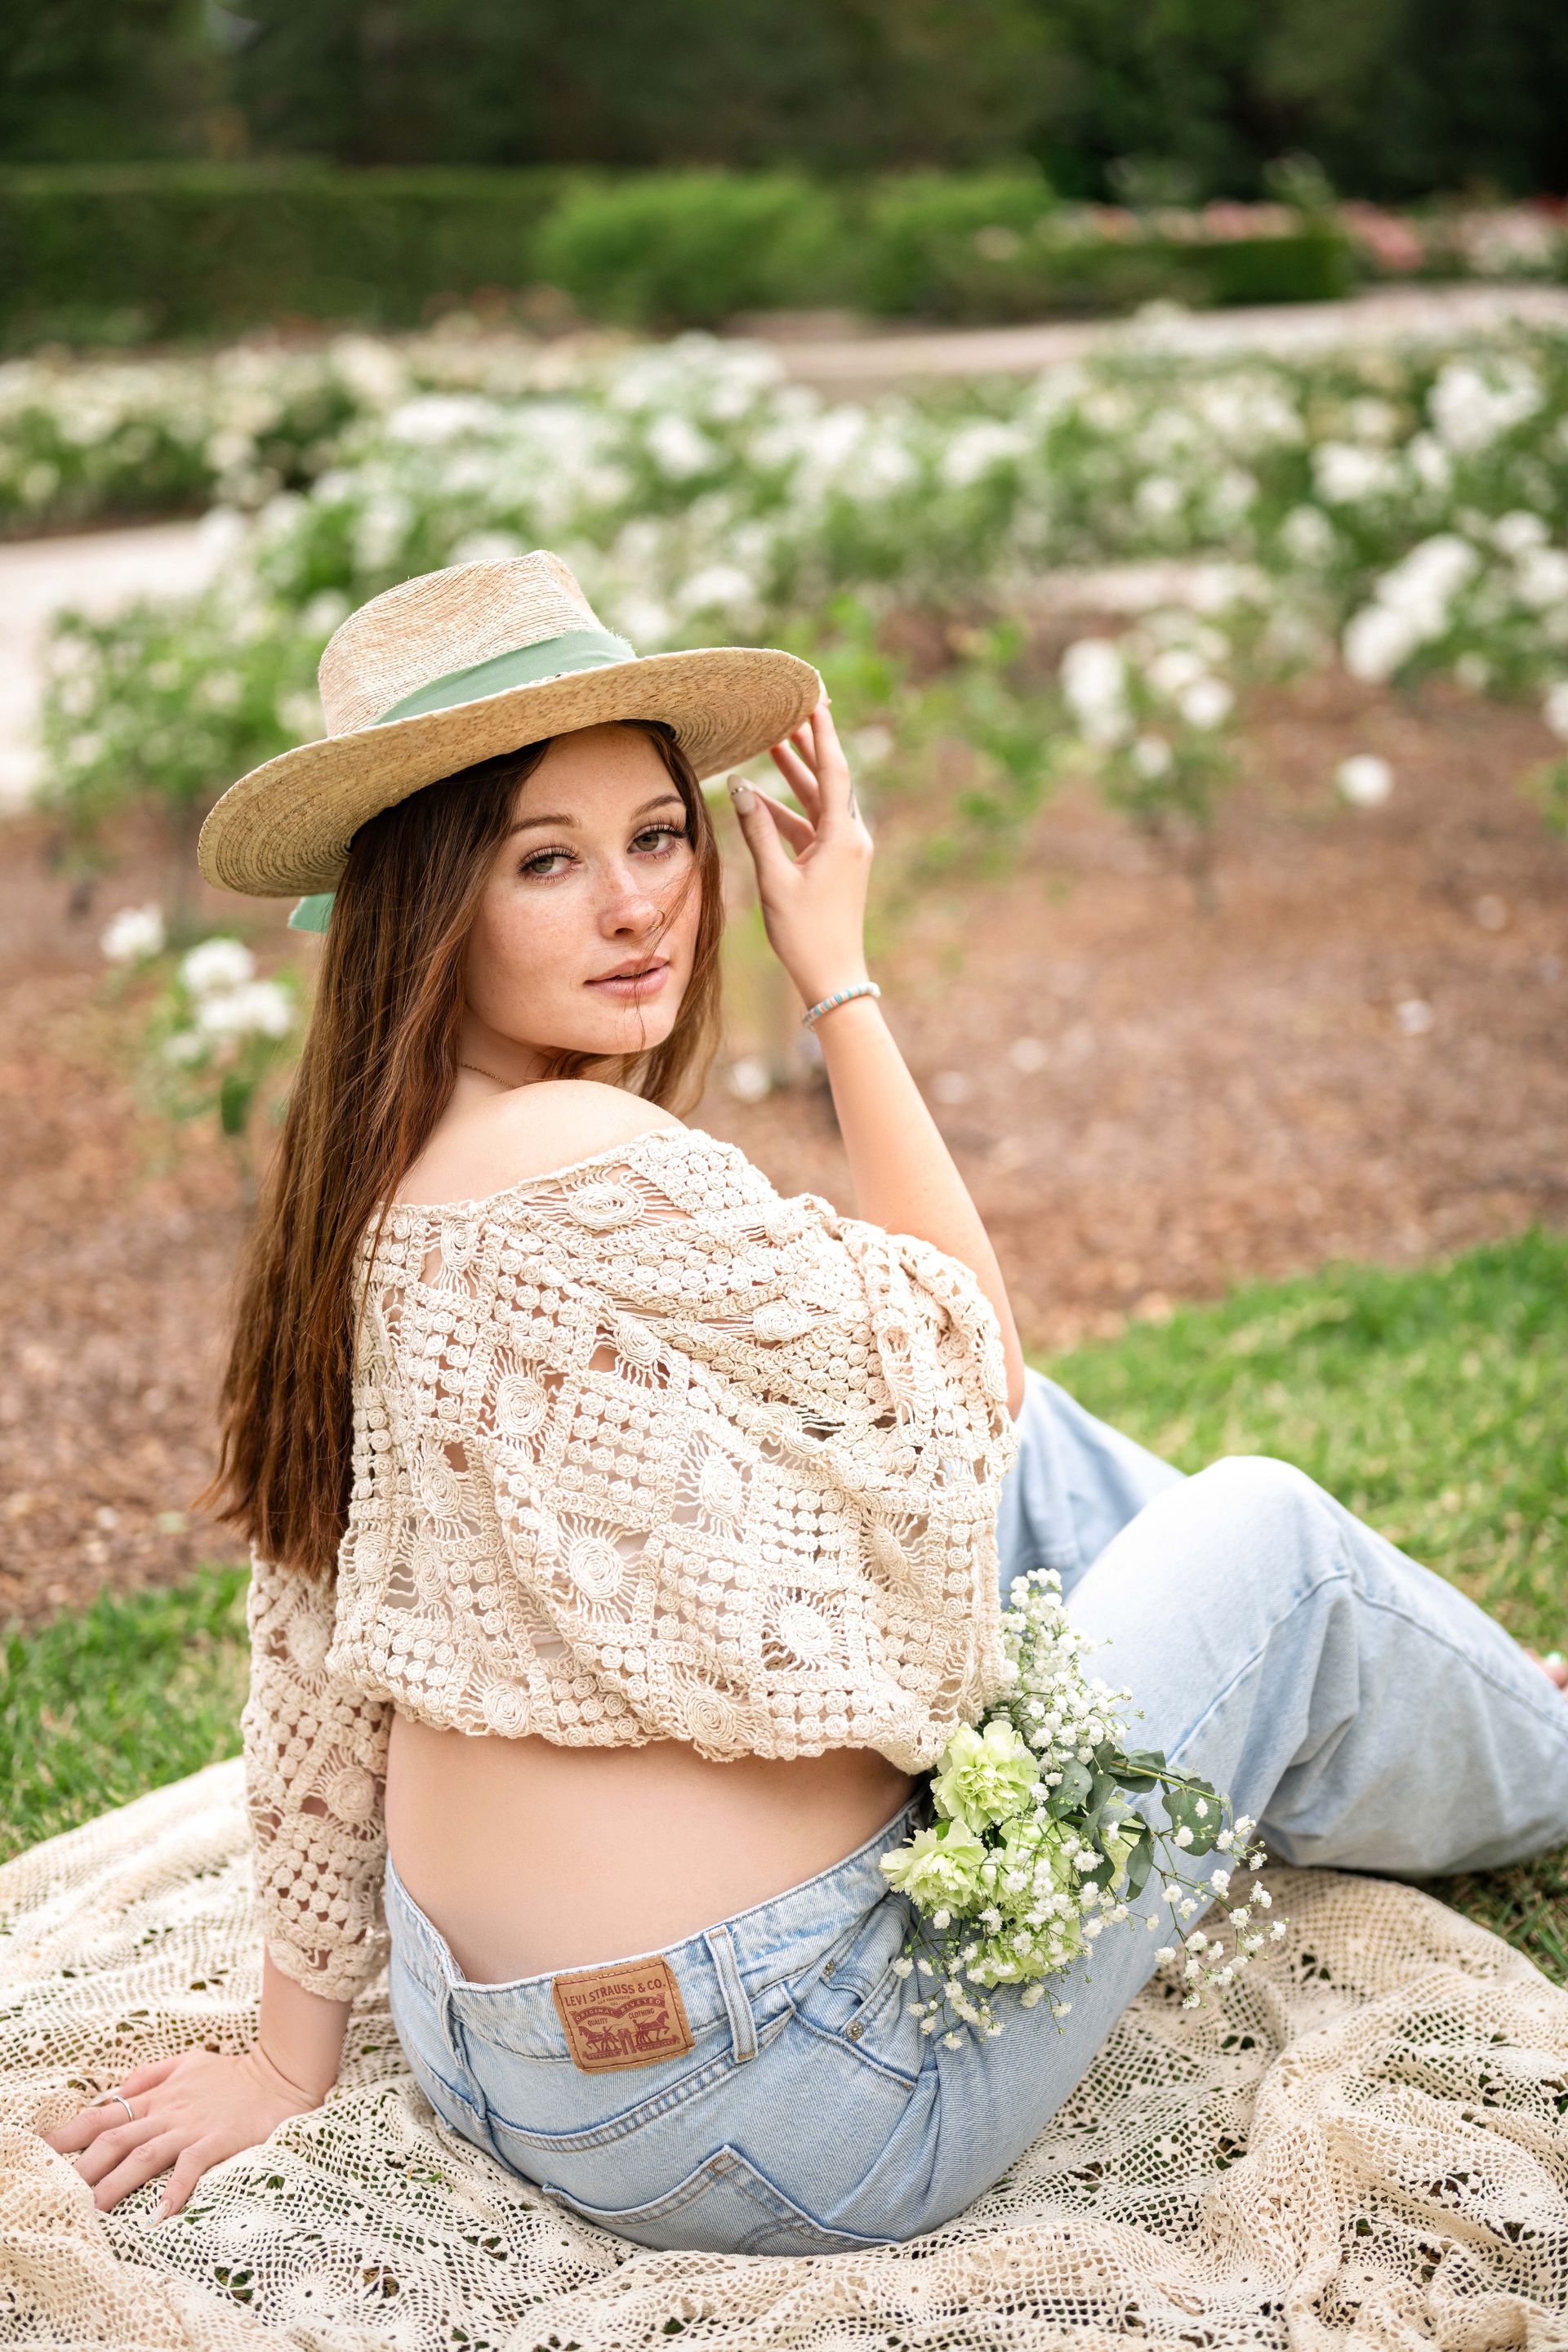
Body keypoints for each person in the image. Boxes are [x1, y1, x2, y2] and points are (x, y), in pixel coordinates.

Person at [42, 552, 1568, 2253]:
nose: (640, 906)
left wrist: (287, 2051)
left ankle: (1459, 1687)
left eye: (658, 834)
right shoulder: (578, 1155)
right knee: (1272, 1543)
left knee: (1054, 1447)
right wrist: (837, 971)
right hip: (787, 2089)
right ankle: (1535, 1745)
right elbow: (962, 1367)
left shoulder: (370, 1201)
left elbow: (314, 1663)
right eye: (548, 861)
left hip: (496, 2051)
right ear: (427, 906)